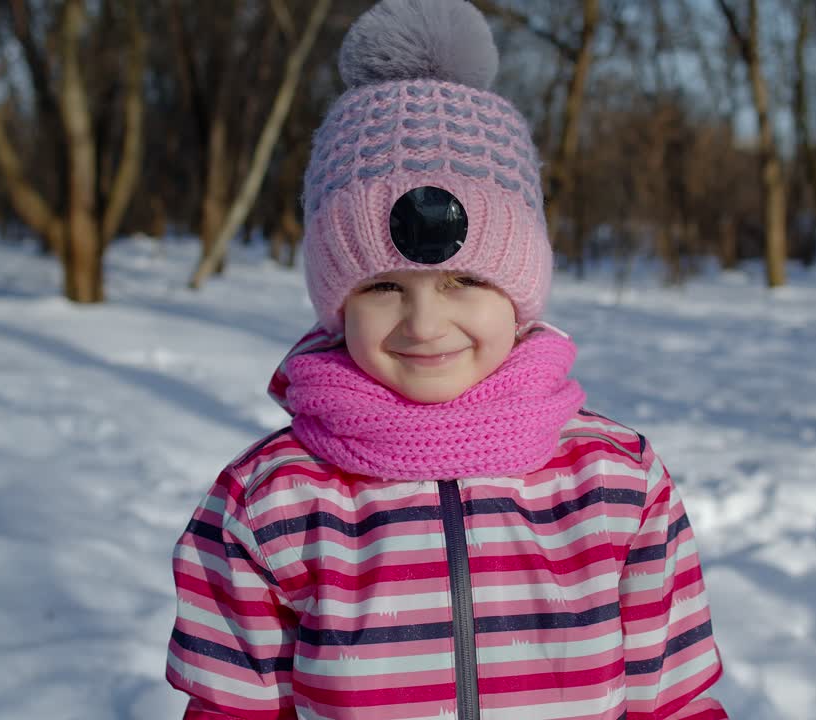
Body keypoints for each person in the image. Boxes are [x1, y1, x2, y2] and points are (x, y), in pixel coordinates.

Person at [165, 1, 729, 718]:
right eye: (383, 287)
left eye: (463, 280)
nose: (426, 325)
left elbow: (674, 702)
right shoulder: (270, 502)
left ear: (519, 293)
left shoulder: (616, 483)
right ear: (337, 303)